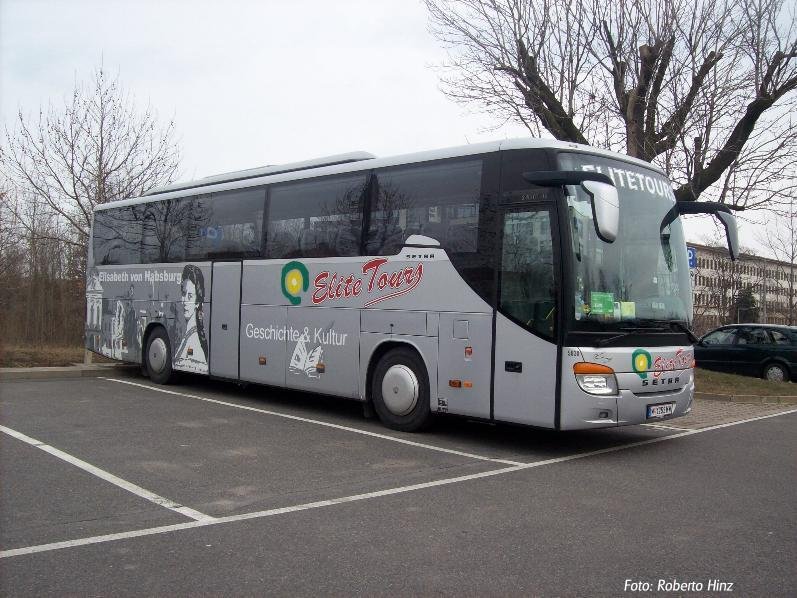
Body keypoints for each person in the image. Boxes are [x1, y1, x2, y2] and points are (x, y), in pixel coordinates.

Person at [173, 265, 208, 373]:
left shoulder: (194, 339)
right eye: (183, 294)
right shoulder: (189, 335)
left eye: (190, 296)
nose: (184, 301)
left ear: (197, 302)